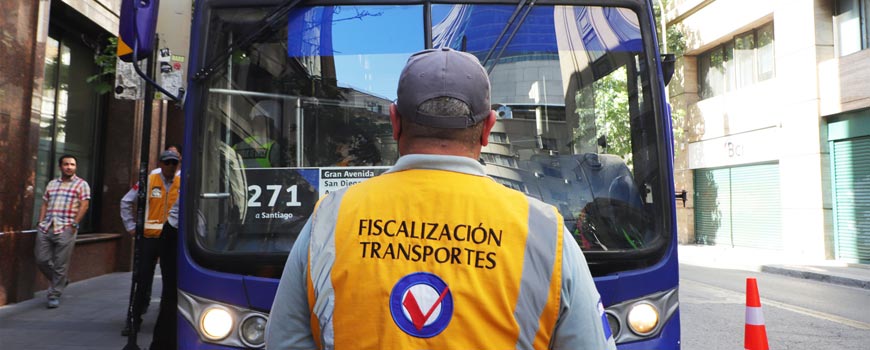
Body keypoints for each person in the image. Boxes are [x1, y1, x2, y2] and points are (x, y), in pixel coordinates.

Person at [265, 48, 616, 349]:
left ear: (395, 122)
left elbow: (284, 340)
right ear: (488, 127)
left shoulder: (329, 219)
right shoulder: (545, 232)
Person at [119, 150, 180, 336]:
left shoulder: (182, 182)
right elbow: (126, 201)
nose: (170, 166)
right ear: (160, 164)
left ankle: (166, 322)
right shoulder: (148, 181)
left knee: (170, 282)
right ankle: (133, 320)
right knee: (142, 280)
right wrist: (130, 226)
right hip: (149, 237)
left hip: (171, 239)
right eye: (167, 162)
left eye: (174, 163)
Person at [34, 154, 91, 309]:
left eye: (72, 164)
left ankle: (54, 294)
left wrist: (74, 224)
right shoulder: (52, 184)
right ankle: (61, 281)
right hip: (47, 226)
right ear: (60, 166)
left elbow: (84, 205)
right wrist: (40, 221)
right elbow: (45, 203)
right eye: (66, 164)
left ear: (75, 167)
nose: (69, 167)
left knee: (61, 263)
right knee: (41, 259)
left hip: (66, 227)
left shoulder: (81, 184)